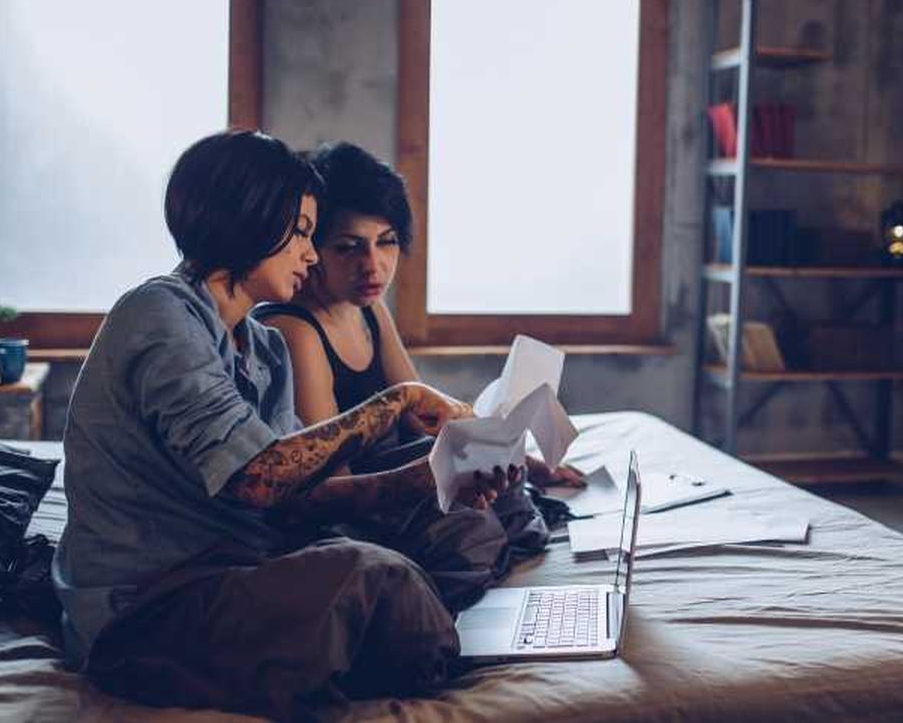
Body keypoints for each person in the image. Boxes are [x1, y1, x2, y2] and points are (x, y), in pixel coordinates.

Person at [52, 131, 513, 720]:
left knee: (444, 530)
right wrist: (393, 405)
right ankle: (405, 648)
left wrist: (430, 480)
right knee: (373, 576)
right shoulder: (159, 314)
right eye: (299, 231)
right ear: (246, 221)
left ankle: (406, 641)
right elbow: (259, 479)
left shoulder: (264, 349)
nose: (312, 254)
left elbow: (299, 497)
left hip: (243, 562)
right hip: (149, 602)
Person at [255, 141, 585, 488]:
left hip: (394, 475)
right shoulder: (295, 330)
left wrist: (524, 464)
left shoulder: (368, 309)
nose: (372, 266)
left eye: (387, 241)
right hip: (356, 497)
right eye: (347, 247)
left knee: (501, 483)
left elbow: (424, 416)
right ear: (311, 249)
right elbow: (331, 478)